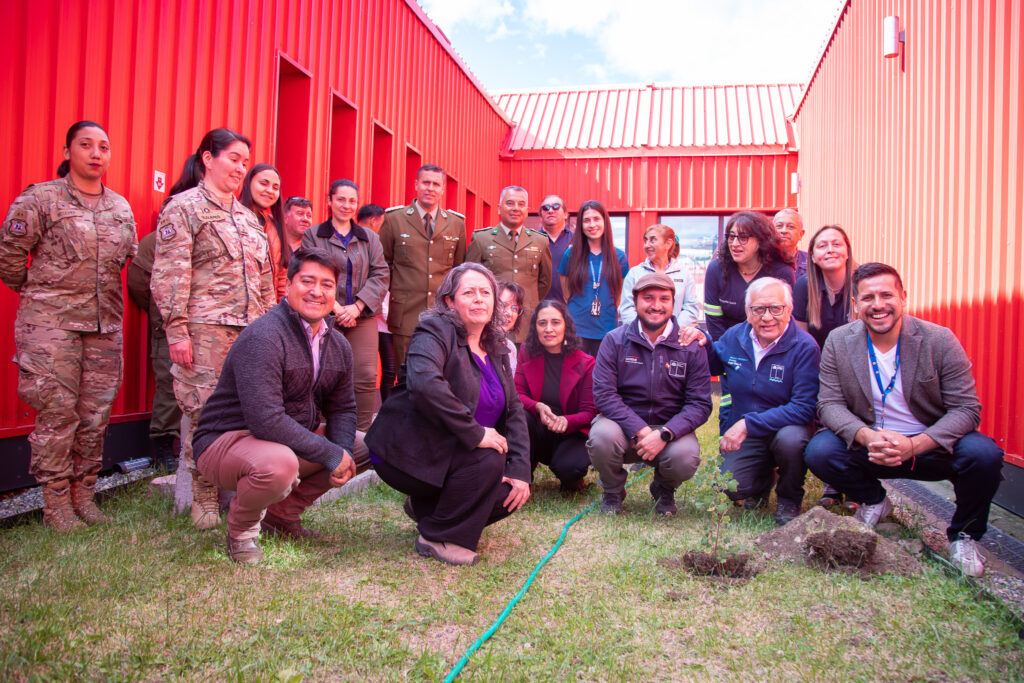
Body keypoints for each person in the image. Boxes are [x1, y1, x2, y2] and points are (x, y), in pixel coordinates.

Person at [805, 263, 1005, 577]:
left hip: (930, 445)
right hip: (872, 445)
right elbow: (829, 404)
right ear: (856, 304)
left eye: (886, 295)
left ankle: (964, 536)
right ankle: (874, 501)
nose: (878, 304)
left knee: (984, 455)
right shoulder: (838, 341)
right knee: (820, 451)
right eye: (868, 297)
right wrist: (867, 436)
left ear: (903, 298)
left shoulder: (939, 340)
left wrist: (914, 445)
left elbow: (966, 409)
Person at [0, 120, 137, 531]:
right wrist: (41, 294)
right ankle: (56, 504)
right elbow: (9, 257)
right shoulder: (40, 199)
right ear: (67, 152)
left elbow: (123, 259)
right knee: (57, 414)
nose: (96, 154)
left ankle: (84, 496)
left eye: (104, 147)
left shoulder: (120, 207)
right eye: (86, 145)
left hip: (103, 326)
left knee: (94, 416)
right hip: (51, 326)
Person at [192, 248, 367, 564]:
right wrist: (328, 453)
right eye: (307, 281)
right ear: (288, 285)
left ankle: (281, 516)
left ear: (336, 293)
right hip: (226, 442)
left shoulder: (338, 345)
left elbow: (343, 408)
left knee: (369, 446)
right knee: (280, 465)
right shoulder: (265, 336)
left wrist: (342, 452)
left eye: (326, 284)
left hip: (284, 441)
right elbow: (265, 419)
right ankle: (241, 532)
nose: (316, 292)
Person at [151, 128, 276, 530]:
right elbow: (170, 274)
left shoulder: (249, 219)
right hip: (204, 332)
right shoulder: (183, 208)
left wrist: (273, 330)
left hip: (251, 333)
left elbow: (267, 282)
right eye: (233, 158)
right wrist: (177, 330)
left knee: (249, 409)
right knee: (203, 411)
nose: (240, 168)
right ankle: (203, 495)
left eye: (245, 161)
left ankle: (241, 492)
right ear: (208, 158)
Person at [365, 263, 531, 566]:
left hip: (451, 450)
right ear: (449, 301)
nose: (479, 299)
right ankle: (439, 537)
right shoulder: (433, 331)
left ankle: (427, 509)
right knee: (489, 457)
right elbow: (425, 385)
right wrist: (476, 433)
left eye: (486, 293)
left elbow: (514, 408)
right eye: (469, 292)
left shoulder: (496, 345)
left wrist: (520, 469)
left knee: (508, 493)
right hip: (406, 451)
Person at [589, 273, 712, 515]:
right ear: (635, 302)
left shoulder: (690, 346)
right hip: (623, 427)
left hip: (669, 429)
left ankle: (663, 489)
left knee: (685, 456)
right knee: (602, 437)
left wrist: (665, 433)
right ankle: (613, 491)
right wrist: (640, 429)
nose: (656, 305)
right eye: (648, 298)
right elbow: (604, 395)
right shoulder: (614, 340)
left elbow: (700, 404)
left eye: (664, 299)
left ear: (673, 303)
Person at [704, 278, 820, 526]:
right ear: (748, 312)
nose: (767, 317)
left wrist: (747, 424)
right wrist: (702, 339)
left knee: (791, 441)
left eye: (775, 308)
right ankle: (762, 482)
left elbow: (804, 408)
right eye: (759, 309)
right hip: (750, 434)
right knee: (729, 485)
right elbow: (713, 364)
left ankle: (789, 498)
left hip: (786, 429)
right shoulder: (734, 337)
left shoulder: (805, 347)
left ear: (789, 310)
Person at [301, 180, 389, 432]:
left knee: (365, 375)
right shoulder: (314, 235)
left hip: (362, 316)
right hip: (324, 316)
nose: (346, 205)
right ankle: (319, 431)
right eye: (341, 199)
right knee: (321, 372)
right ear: (329, 201)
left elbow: (381, 274)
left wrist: (357, 307)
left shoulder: (369, 238)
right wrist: (337, 308)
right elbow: (310, 272)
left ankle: (361, 433)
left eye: (352, 201)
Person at [379, 164, 467, 369]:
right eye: (426, 182)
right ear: (416, 184)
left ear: (443, 189)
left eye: (436, 184)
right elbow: (383, 265)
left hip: (441, 313)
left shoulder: (456, 223)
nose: (430, 188)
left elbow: (459, 269)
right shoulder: (394, 219)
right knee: (405, 373)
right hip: (405, 312)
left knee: (439, 371)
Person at [793, 224, 855, 508]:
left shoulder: (861, 282)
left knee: (854, 424)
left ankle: (855, 486)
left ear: (847, 251)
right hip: (819, 367)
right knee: (825, 425)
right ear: (813, 256)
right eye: (822, 245)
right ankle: (833, 481)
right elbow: (802, 338)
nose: (830, 250)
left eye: (836, 244)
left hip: (856, 370)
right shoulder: (804, 286)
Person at [514, 300, 596, 492]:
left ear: (566, 326)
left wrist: (566, 421)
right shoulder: (526, 352)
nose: (548, 329)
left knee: (570, 469)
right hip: (537, 429)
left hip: (572, 432)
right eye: (542, 323)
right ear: (535, 327)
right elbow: (517, 394)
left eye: (555, 322)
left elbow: (590, 411)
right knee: (520, 415)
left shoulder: (586, 363)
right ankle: (523, 473)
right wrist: (537, 406)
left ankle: (570, 475)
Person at [466, 185, 551, 343]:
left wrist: (526, 302)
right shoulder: (481, 239)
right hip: (491, 320)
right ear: (499, 208)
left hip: (526, 322)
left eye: (521, 204)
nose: (516, 208)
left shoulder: (540, 241)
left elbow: (544, 282)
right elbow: (469, 280)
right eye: (510, 203)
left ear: (527, 210)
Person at [126, 231, 181, 470]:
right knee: (170, 383)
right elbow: (138, 281)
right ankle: (164, 446)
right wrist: (159, 309)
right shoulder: (158, 239)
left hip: (206, 322)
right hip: (169, 322)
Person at [704, 210, 795, 341]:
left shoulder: (781, 273)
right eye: (731, 237)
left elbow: (785, 322)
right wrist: (726, 349)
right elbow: (714, 322)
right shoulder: (716, 269)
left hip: (770, 345)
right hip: (727, 345)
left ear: (761, 240)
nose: (735, 244)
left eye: (743, 238)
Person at [557, 200, 630, 356]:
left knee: (604, 370)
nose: (592, 225)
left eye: (596, 219)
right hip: (576, 328)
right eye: (586, 220)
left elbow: (619, 295)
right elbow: (566, 293)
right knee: (575, 370)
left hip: (606, 328)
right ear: (581, 225)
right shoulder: (570, 255)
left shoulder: (619, 257)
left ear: (605, 221)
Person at [619, 223, 700, 329]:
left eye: (652, 240)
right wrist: (643, 332)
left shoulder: (684, 275)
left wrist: (673, 331)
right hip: (641, 336)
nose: (647, 245)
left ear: (668, 244)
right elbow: (626, 308)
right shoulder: (634, 274)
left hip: (676, 337)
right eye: (646, 240)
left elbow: (691, 308)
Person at [358, 203, 396, 403]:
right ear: (374, 221)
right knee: (386, 369)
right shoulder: (370, 245)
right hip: (379, 321)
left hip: (378, 319)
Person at [240, 163, 287, 300]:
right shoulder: (231, 218)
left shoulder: (274, 225)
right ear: (248, 183)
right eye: (263, 184)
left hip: (267, 307)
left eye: (275, 187)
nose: (270, 190)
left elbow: (281, 276)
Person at [538, 194, 572, 302]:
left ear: (566, 214)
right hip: (539, 307)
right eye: (545, 208)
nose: (550, 211)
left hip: (570, 307)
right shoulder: (531, 241)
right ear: (541, 215)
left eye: (556, 206)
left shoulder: (577, 241)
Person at [497, 280, 525, 371]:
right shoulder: (477, 346)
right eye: (503, 305)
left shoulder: (511, 347)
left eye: (514, 308)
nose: (509, 313)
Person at [773, 208, 807, 279]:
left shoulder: (811, 261)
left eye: (790, 226)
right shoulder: (761, 261)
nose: (784, 231)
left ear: (801, 234)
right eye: (779, 226)